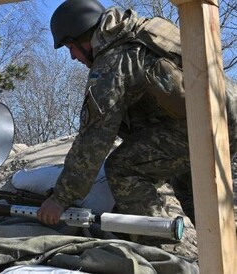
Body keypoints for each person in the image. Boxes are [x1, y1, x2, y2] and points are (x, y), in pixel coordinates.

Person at [37, 0, 237, 259]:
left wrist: (60, 198)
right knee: (191, 185)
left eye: (71, 47)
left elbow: (95, 138)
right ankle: (227, 255)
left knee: (123, 169)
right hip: (221, 116)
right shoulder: (139, 33)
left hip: (201, 123)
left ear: (83, 36)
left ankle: (158, 254)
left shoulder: (113, 61)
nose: (73, 56)